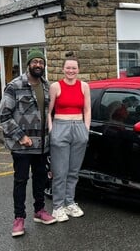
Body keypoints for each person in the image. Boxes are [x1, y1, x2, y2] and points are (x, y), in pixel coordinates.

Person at [0, 48, 57, 237]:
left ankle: (39, 211)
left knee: (41, 179)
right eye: (35, 62)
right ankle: (19, 218)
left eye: (41, 62)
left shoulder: (47, 86)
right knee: (21, 181)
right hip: (22, 146)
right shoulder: (14, 86)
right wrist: (20, 136)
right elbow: (4, 115)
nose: (38, 65)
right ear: (28, 64)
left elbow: (50, 114)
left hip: (42, 146)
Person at [48, 51, 91, 222]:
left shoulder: (84, 86)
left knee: (73, 171)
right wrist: (52, 130)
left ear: (78, 69)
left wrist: (85, 129)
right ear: (63, 69)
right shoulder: (55, 86)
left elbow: (87, 109)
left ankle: (70, 203)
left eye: (74, 68)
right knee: (60, 172)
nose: (71, 71)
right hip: (61, 127)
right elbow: (48, 110)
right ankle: (57, 207)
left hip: (79, 127)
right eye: (68, 68)